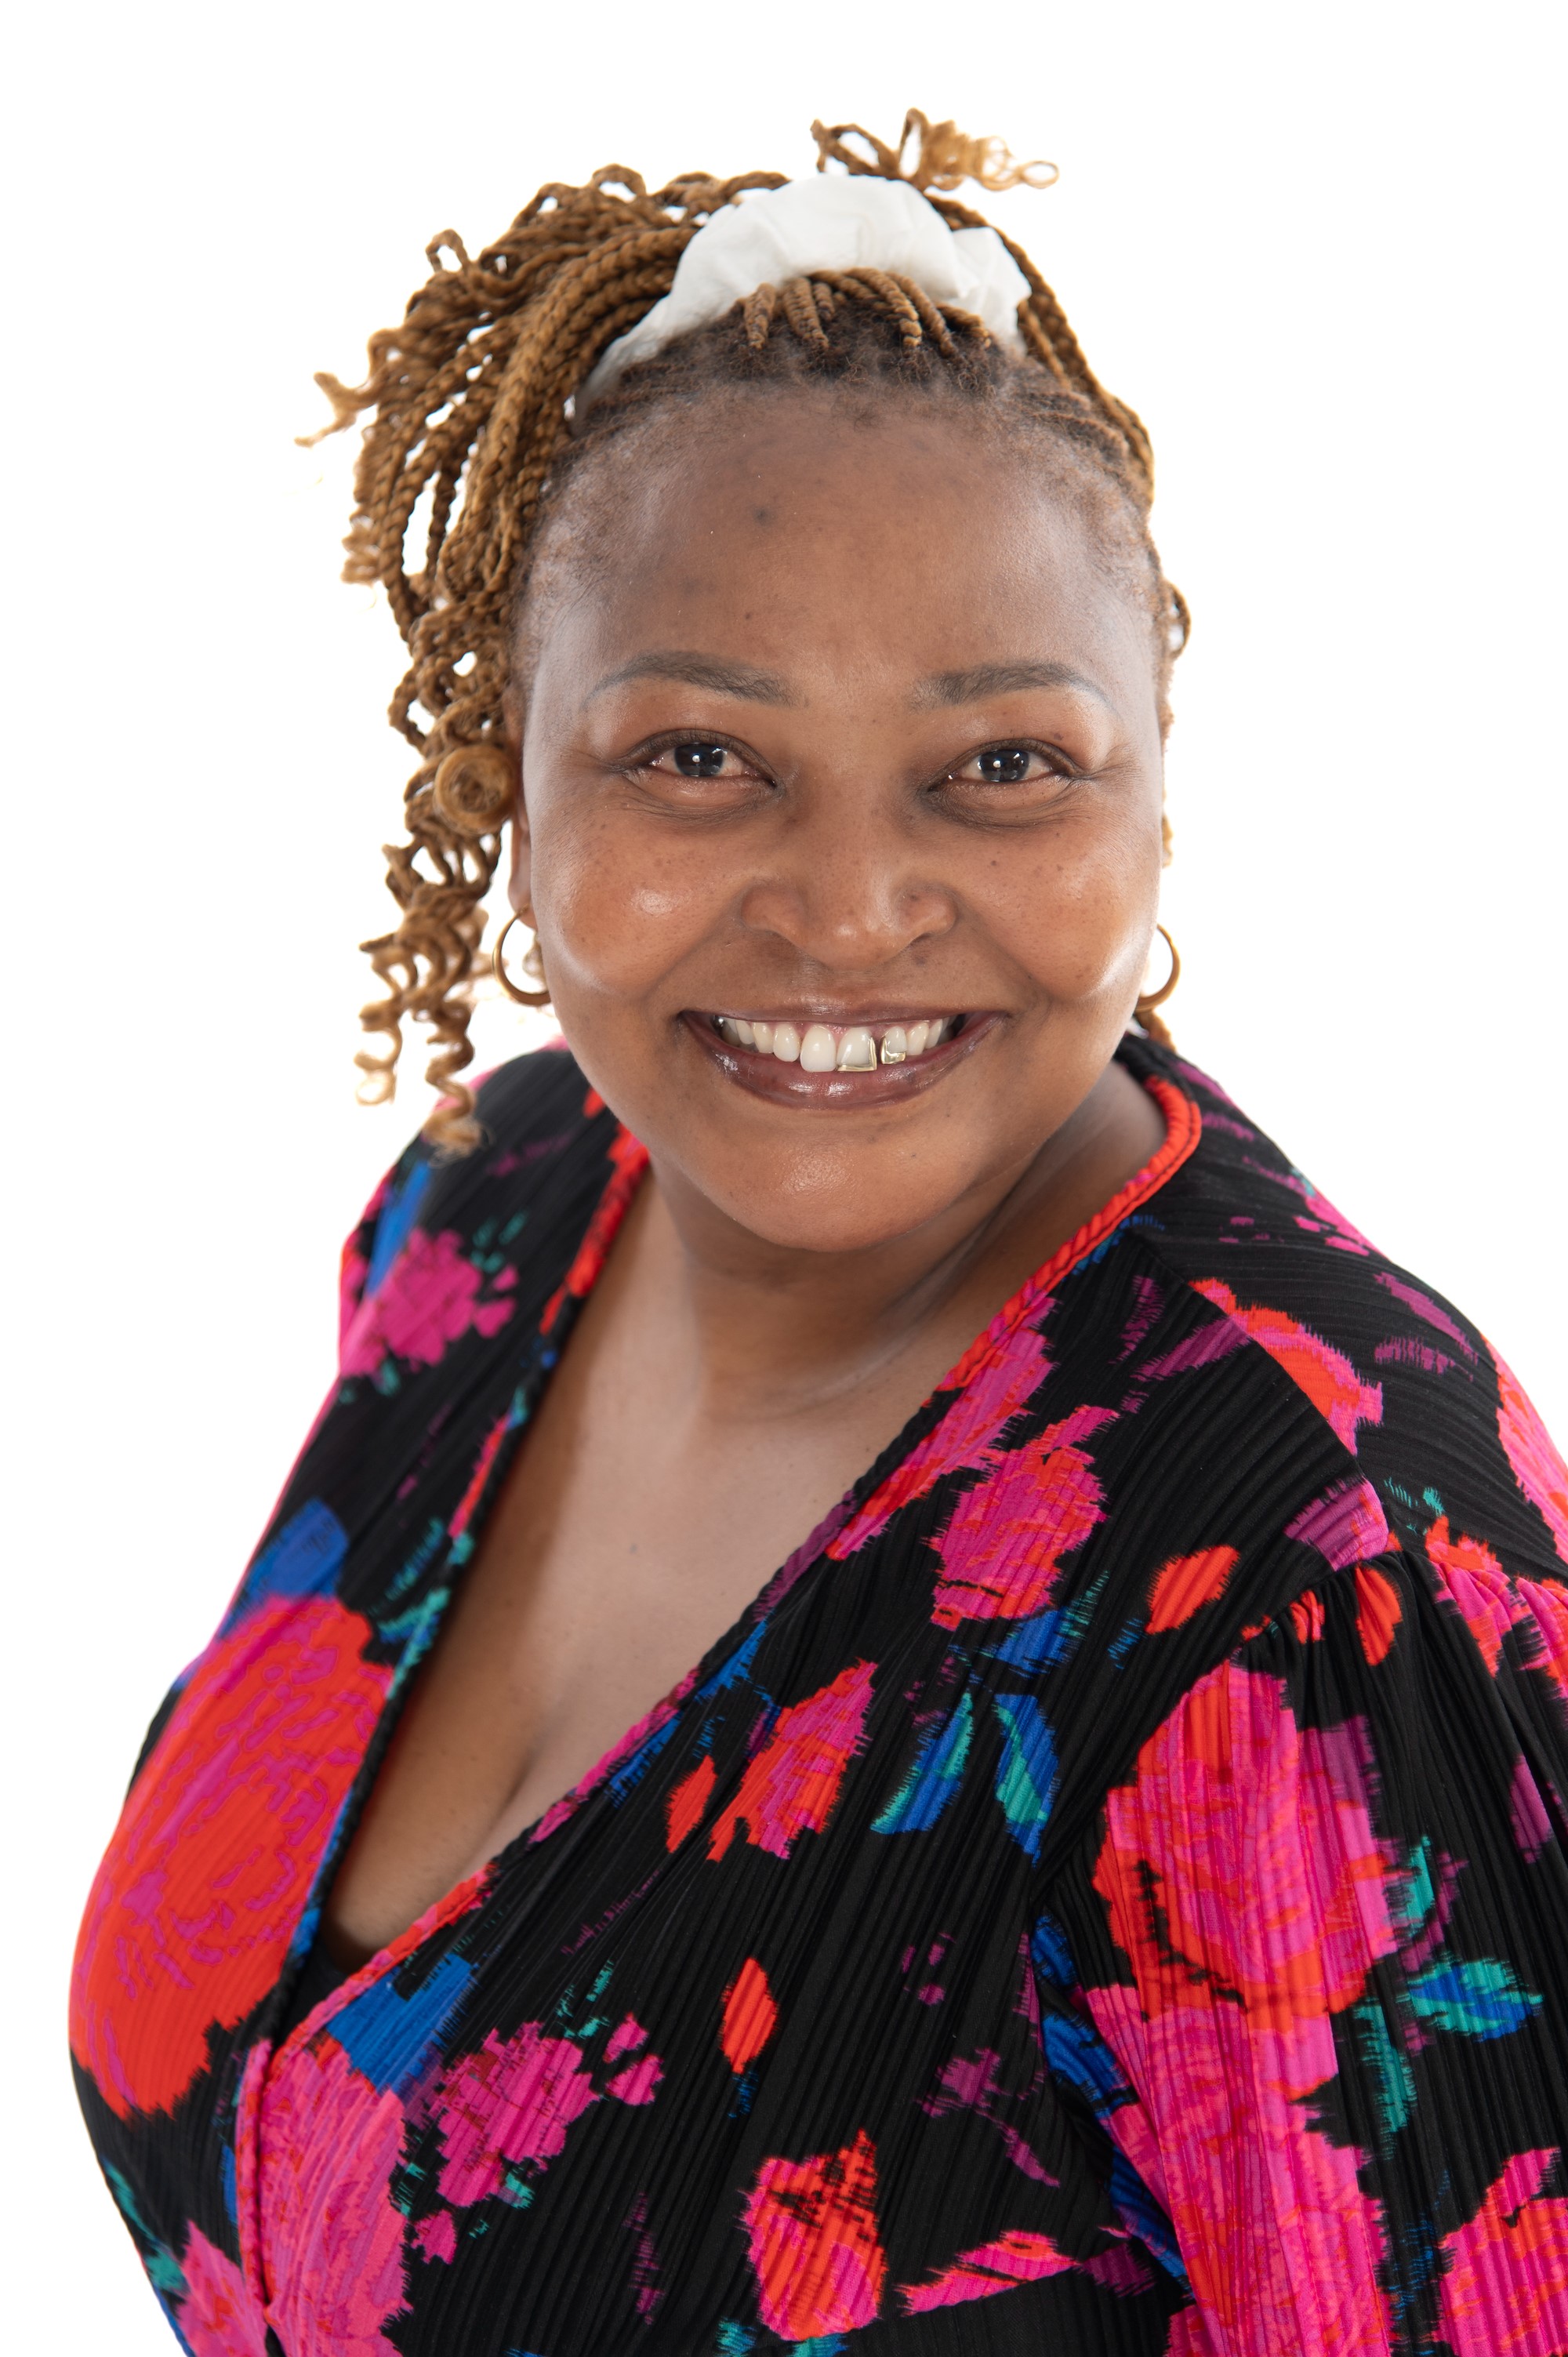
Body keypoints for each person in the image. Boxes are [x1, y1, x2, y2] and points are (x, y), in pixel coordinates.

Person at [71, 108, 1568, 2357]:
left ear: (1159, 789)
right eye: (698, 757)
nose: (853, 912)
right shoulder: (491, 1218)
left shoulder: (1320, 1576)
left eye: (1004, 764)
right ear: (511, 776)